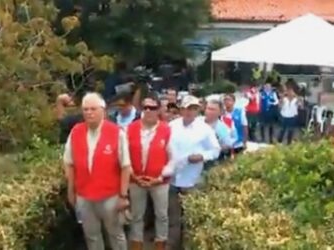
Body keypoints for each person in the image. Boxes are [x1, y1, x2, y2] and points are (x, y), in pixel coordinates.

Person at [63, 92, 131, 250]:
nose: (88, 113)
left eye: (93, 109)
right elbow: (69, 163)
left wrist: (123, 195)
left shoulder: (116, 132)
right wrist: (71, 191)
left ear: (103, 110)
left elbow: (126, 166)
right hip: (84, 197)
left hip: (110, 197)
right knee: (91, 236)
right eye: (85, 109)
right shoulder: (76, 132)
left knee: (116, 234)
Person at [168, 95, 220, 250]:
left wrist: (202, 156)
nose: (190, 112)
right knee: (173, 219)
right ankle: (172, 246)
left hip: (192, 181)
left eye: (194, 109)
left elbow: (215, 150)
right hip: (172, 179)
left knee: (191, 219)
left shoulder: (204, 129)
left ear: (198, 110)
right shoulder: (172, 126)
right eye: (187, 108)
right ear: (181, 109)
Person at [127, 93, 174, 250]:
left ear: (158, 110)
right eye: (145, 107)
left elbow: (173, 158)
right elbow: (124, 156)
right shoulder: (130, 129)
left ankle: (160, 244)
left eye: (152, 108)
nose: (148, 111)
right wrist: (133, 175)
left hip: (159, 182)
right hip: (135, 180)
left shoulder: (167, 130)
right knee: (136, 215)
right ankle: (136, 245)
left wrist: (161, 178)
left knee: (161, 215)